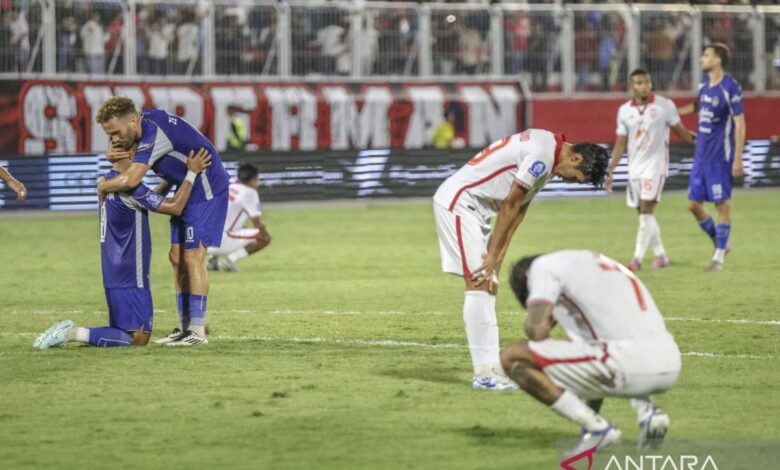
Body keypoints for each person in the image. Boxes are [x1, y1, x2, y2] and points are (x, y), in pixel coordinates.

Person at [432, 129, 609, 390]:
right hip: (460, 203)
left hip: (476, 210)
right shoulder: (542, 155)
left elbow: (520, 207)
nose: (569, 181)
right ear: (576, 159)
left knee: (488, 284)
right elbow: (510, 205)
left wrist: (499, 256)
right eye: (575, 179)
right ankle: (484, 374)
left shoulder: (549, 152)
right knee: (480, 283)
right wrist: (492, 256)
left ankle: (491, 370)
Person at [502, 251, 681, 454]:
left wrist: (544, 316)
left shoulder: (540, 268)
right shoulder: (589, 265)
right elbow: (591, 354)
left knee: (513, 356)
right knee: (599, 348)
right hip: (670, 362)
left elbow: (537, 331)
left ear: (528, 278)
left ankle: (599, 430)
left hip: (630, 364)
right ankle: (646, 412)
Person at [33, 147, 211, 349]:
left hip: (113, 269)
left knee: (123, 331)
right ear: (135, 153)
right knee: (138, 338)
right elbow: (174, 207)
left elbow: (145, 201)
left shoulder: (107, 181)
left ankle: (70, 332)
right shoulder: (129, 186)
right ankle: (68, 333)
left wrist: (170, 180)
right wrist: (191, 173)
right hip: (130, 272)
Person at [95, 96, 230, 346]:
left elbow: (130, 180)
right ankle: (184, 327)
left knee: (193, 256)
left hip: (205, 189)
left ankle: (197, 332)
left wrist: (104, 185)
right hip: (187, 187)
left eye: (115, 132)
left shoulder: (153, 133)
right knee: (176, 257)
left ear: (134, 120)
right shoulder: (144, 131)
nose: (114, 138)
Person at [606, 69, 696, 271]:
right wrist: (610, 169)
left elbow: (681, 132)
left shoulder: (664, 105)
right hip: (634, 168)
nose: (644, 86)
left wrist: (703, 141)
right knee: (643, 215)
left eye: (647, 82)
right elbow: (621, 143)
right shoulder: (624, 111)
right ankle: (661, 255)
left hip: (656, 165)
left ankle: (636, 259)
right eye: (639, 83)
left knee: (647, 210)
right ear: (632, 87)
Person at [678, 43, 745, 271]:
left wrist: (738, 158)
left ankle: (718, 257)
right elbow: (698, 106)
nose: (701, 58)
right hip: (701, 157)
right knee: (693, 205)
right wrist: (674, 112)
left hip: (720, 158)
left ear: (717, 60)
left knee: (721, 205)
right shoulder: (705, 86)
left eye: (706, 55)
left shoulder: (730, 88)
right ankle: (721, 243)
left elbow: (740, 124)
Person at [207, 164, 271, 272]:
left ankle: (212, 260)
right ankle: (230, 260)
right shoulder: (250, 193)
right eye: (257, 179)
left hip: (204, 238)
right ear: (251, 180)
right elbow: (257, 223)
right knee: (264, 237)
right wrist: (264, 232)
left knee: (236, 225)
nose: (258, 182)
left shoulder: (228, 184)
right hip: (222, 241)